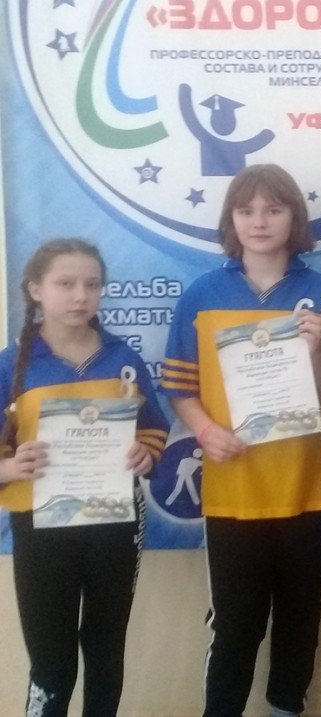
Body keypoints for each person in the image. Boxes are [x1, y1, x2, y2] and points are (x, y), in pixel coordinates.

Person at [163, 164, 321, 717]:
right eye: (246, 210)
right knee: (236, 625)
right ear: (231, 220)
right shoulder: (202, 294)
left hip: (310, 488)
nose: (259, 221)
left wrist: (320, 351)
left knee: (300, 622)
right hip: (233, 493)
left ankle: (285, 709)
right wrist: (205, 430)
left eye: (273, 209)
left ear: (294, 217)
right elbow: (180, 388)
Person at [0, 238, 168, 716]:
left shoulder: (123, 359)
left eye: (92, 285)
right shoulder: (10, 365)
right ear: (35, 289)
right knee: (51, 662)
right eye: (65, 284)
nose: (80, 296)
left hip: (115, 524)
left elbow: (154, 428)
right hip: (40, 526)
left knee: (105, 649)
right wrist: (9, 467)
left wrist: (145, 454)